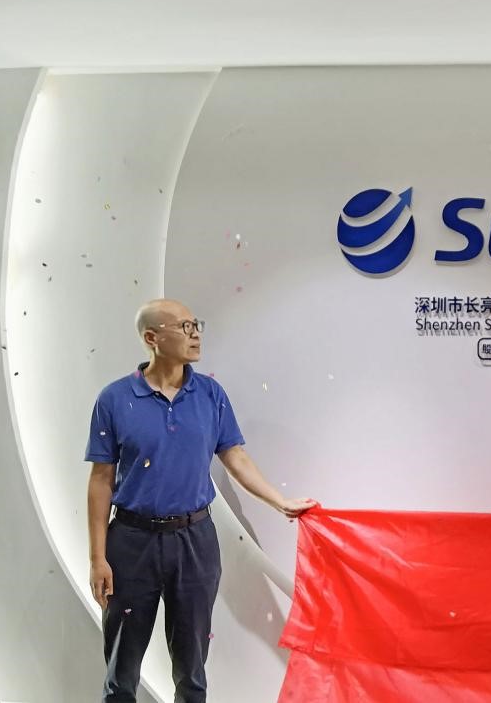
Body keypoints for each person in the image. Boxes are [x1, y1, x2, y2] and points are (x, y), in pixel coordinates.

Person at [86, 298, 316, 702]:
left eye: (196, 325)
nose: (195, 335)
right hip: (131, 542)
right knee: (122, 667)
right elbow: (101, 480)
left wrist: (279, 501)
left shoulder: (210, 394)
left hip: (195, 541)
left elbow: (235, 457)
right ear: (152, 338)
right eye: (184, 327)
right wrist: (97, 558)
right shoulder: (115, 399)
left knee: (192, 667)